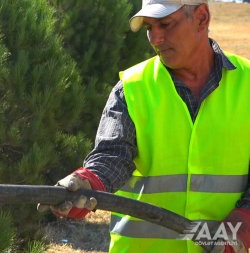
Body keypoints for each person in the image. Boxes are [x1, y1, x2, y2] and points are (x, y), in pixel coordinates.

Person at [38, 0, 250, 252]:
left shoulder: (246, 84)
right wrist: (87, 182)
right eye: (150, 27)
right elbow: (112, 156)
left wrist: (241, 227)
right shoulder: (132, 88)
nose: (155, 38)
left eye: (165, 24)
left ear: (202, 17)